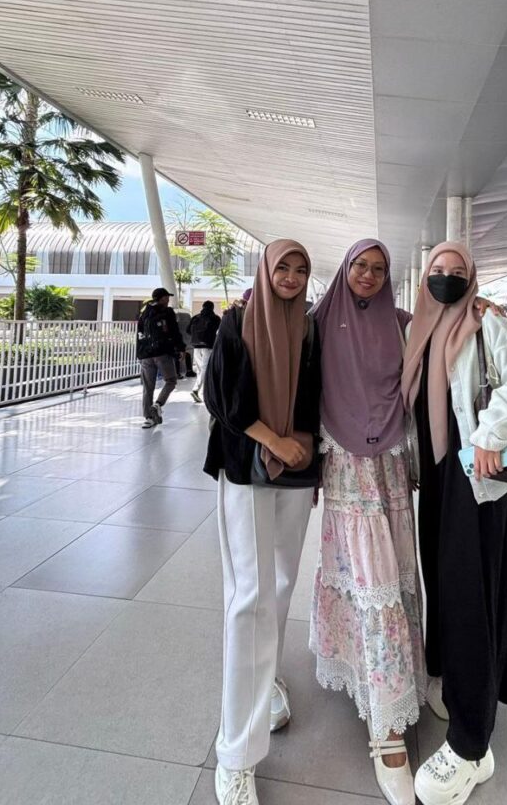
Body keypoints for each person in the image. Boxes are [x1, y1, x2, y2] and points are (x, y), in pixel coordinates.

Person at [401, 243, 507, 805]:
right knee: (443, 585)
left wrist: (490, 432)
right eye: (436, 271)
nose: (445, 279)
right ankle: (452, 682)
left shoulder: (487, 323)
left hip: (478, 479)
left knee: (470, 597)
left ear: (472, 278)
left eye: (456, 272)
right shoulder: (419, 330)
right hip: (438, 480)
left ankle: (470, 747)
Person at [204, 240, 322, 805]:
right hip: (246, 467)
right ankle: (236, 754)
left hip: (296, 471)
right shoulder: (236, 321)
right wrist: (274, 440)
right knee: (249, 596)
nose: (291, 277)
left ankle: (265, 674)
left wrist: (303, 445)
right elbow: (221, 396)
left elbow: (318, 395)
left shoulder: (310, 329)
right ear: (265, 270)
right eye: (283, 268)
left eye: (301, 270)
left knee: (280, 583)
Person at [309, 239, 424, 805]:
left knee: (392, 577)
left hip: (391, 467)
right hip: (345, 468)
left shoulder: (400, 323)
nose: (370, 275)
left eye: (379, 269)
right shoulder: (317, 322)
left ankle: (400, 678)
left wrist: (481, 309)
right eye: (361, 265)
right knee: (368, 580)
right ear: (345, 268)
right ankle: (386, 725)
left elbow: (444, 336)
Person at [136, 287, 185, 429]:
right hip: (162, 353)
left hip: (146, 355)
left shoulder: (144, 313)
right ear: (161, 298)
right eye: (166, 297)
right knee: (171, 381)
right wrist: (180, 348)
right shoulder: (167, 312)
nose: (168, 300)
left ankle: (148, 418)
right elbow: (174, 331)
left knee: (148, 387)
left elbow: (139, 334)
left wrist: (139, 354)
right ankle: (157, 404)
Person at [187, 301, 220, 402]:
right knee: (205, 369)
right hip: (208, 346)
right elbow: (219, 331)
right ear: (212, 308)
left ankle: (200, 391)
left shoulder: (195, 317)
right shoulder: (215, 318)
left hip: (196, 346)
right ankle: (197, 390)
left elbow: (188, 330)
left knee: (200, 370)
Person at [174, 306, 196, 378]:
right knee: (186, 355)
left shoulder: (175, 322)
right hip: (187, 341)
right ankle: (188, 371)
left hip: (179, 342)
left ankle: (177, 373)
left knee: (177, 356)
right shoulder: (189, 322)